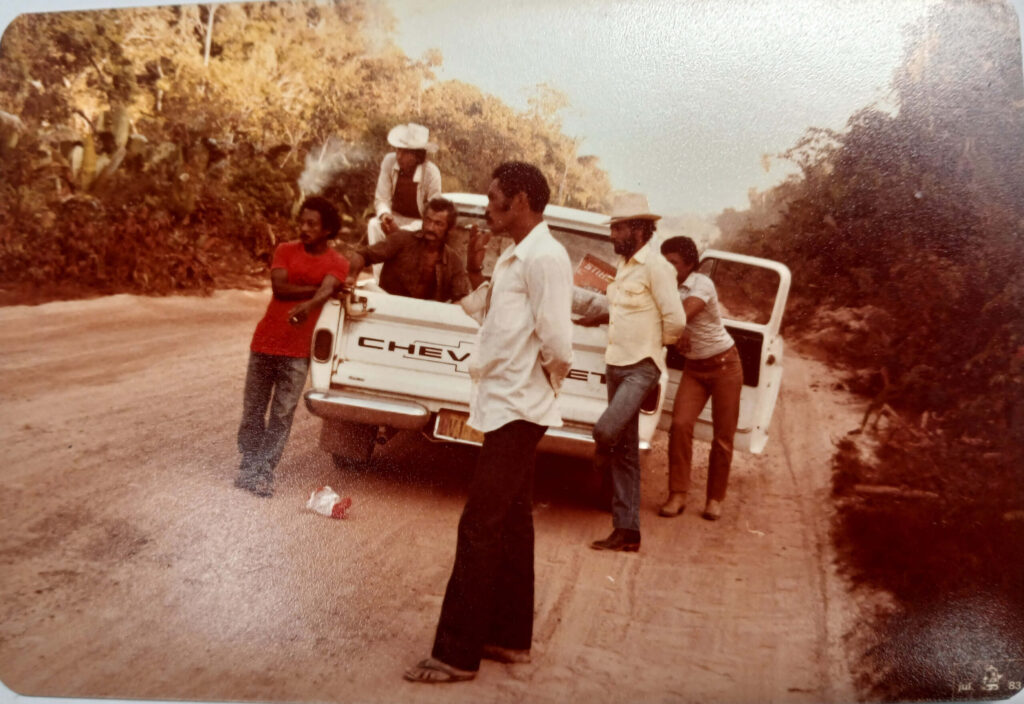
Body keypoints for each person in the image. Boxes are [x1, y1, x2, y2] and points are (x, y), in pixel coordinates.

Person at [404, 162, 573, 684]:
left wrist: (541, 385)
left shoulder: (545, 257)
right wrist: (474, 271)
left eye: (493, 196)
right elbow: (483, 310)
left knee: (480, 526)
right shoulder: (514, 256)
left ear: (519, 200)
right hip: (507, 403)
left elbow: (559, 344)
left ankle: (456, 653)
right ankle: (508, 639)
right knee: (513, 524)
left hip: (519, 408)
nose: (484, 205)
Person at [579, 193, 685, 552]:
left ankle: (597, 453)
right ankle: (627, 531)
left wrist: (655, 351)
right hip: (615, 364)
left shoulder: (657, 268)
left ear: (639, 229)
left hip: (642, 367)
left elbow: (676, 319)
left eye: (618, 227)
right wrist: (598, 316)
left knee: (606, 429)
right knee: (626, 454)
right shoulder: (624, 267)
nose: (612, 234)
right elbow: (623, 310)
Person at [234, 197, 351, 498]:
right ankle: (248, 464)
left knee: (282, 415)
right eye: (302, 221)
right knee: (253, 409)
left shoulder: (338, 262)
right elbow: (279, 288)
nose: (304, 228)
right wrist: (322, 292)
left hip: (298, 352)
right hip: (265, 343)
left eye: (312, 224)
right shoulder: (285, 250)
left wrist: (313, 301)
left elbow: (326, 289)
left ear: (327, 229)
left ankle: (263, 471)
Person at [658, 236, 743, 521]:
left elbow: (681, 315)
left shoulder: (701, 283)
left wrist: (678, 331)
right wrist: (677, 333)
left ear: (690, 265)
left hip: (724, 365)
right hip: (694, 368)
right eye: (664, 262)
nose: (668, 268)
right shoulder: (663, 284)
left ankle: (715, 499)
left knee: (723, 436)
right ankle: (678, 494)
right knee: (680, 425)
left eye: (674, 263)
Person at [347, 197, 487, 301]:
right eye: (428, 221)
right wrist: (351, 277)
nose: (430, 228)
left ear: (450, 229)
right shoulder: (401, 239)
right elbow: (362, 254)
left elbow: (461, 298)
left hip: (424, 320)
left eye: (438, 224)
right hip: (388, 307)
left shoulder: (453, 261)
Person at [367, 122, 443, 253]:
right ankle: (379, 273)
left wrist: (405, 229)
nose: (399, 156)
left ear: (417, 156)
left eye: (405, 152)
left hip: (418, 224)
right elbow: (381, 198)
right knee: (374, 225)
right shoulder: (389, 162)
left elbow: (434, 212)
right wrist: (385, 215)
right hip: (394, 218)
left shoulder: (431, 173)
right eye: (398, 149)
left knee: (409, 233)